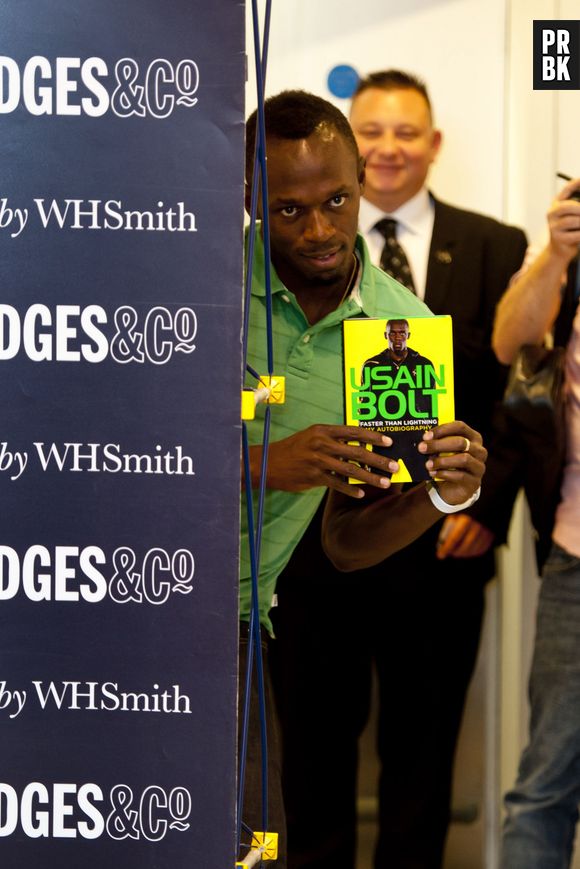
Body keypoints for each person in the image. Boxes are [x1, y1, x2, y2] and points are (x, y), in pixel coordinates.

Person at [269, 71, 528, 869]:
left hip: (425, 556)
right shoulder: (221, 282)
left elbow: (517, 401)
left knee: (420, 771)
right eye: (291, 208)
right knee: (307, 780)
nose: (318, 225)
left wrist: (474, 496)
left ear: (432, 144)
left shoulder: (473, 260)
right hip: (292, 577)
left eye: (406, 131)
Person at [495, 177, 580, 869]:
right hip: (574, 556)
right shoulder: (567, 264)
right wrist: (555, 253)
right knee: (545, 781)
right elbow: (507, 343)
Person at [362, 318, 437, 479]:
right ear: (385, 335)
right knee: (375, 489)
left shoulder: (423, 364)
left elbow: (431, 406)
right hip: (384, 440)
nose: (397, 337)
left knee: (426, 488)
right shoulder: (372, 365)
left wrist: (435, 445)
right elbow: (364, 408)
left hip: (416, 439)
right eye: (393, 333)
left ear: (408, 335)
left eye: (402, 333)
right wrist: (362, 448)